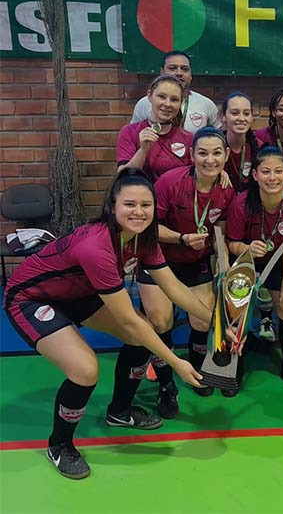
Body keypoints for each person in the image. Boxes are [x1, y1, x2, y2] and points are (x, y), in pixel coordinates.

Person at [3, 168, 215, 480]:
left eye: (146, 205)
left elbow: (173, 288)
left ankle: (120, 411)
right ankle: (59, 445)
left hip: (79, 291)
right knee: (86, 369)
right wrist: (175, 362)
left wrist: (217, 322)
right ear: (112, 206)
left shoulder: (145, 238)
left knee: (140, 338)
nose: (138, 212)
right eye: (129, 204)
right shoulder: (97, 246)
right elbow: (129, 318)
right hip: (31, 299)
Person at [135, 127, 235, 409]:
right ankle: (166, 385)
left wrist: (224, 264)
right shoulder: (170, 182)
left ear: (226, 156)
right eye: (202, 153)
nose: (210, 160)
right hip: (158, 259)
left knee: (203, 321)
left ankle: (197, 367)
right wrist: (180, 238)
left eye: (217, 153)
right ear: (191, 155)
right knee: (161, 321)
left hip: (195, 262)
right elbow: (149, 226)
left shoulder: (226, 189)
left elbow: (220, 234)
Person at [226, 146, 283, 393]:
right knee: (236, 310)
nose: (272, 177)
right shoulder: (241, 203)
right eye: (265, 172)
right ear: (255, 175)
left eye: (278, 171)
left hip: (278, 265)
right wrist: (246, 247)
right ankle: (234, 363)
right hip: (244, 262)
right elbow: (231, 243)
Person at [117, 75, 193, 183]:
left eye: (174, 99)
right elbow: (123, 177)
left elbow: (195, 176)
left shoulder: (189, 138)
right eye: (161, 97)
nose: (167, 104)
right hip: (141, 198)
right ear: (149, 96)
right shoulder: (129, 132)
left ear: (181, 102)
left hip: (175, 199)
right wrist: (143, 150)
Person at [131, 50, 221, 134]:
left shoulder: (206, 104)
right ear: (162, 72)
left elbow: (220, 137)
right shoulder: (144, 103)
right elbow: (133, 136)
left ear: (191, 75)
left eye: (184, 69)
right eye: (172, 68)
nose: (179, 73)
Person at [221, 92, 259, 192]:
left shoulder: (260, 147)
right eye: (235, 113)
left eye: (246, 114)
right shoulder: (212, 146)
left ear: (252, 117)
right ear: (223, 116)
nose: (241, 118)